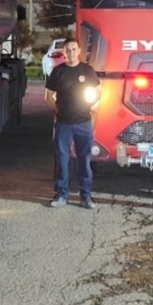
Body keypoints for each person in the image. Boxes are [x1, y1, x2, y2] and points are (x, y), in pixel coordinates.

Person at [45, 38, 101, 209]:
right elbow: (48, 97)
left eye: (74, 49)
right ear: (64, 52)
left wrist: (88, 106)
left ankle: (86, 196)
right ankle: (62, 195)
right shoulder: (58, 72)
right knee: (62, 161)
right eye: (67, 50)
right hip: (63, 124)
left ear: (79, 51)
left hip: (83, 123)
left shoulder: (87, 70)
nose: (70, 52)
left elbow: (98, 90)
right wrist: (58, 110)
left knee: (84, 161)